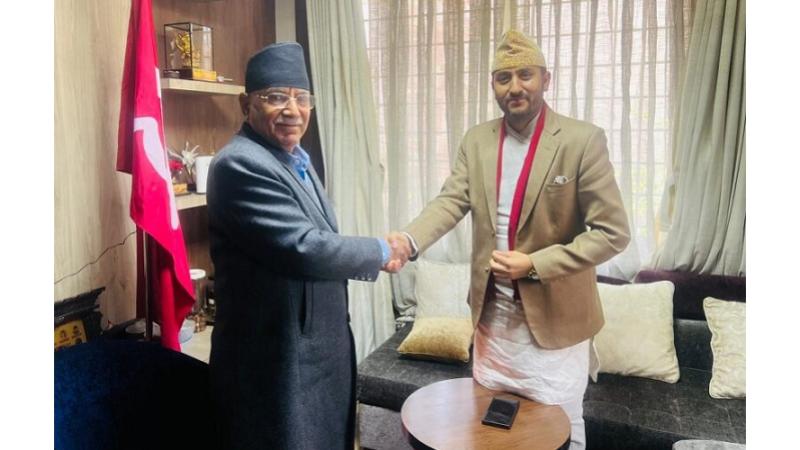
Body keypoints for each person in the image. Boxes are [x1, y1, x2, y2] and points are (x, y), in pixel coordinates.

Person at [388, 30, 630, 449]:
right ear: (493, 86)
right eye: (504, 78)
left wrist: (535, 264)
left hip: (554, 325)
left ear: (546, 79)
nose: (514, 87)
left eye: (525, 75)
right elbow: (450, 201)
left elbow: (613, 233)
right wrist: (409, 240)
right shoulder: (477, 140)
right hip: (493, 322)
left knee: (558, 430)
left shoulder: (581, 140)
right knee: (491, 429)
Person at [206, 42, 407, 450]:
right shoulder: (239, 163)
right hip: (275, 361)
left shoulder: (294, 156)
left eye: (301, 98)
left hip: (312, 352)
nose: (292, 110)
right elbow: (304, 247)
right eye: (276, 97)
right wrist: (381, 251)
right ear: (246, 104)